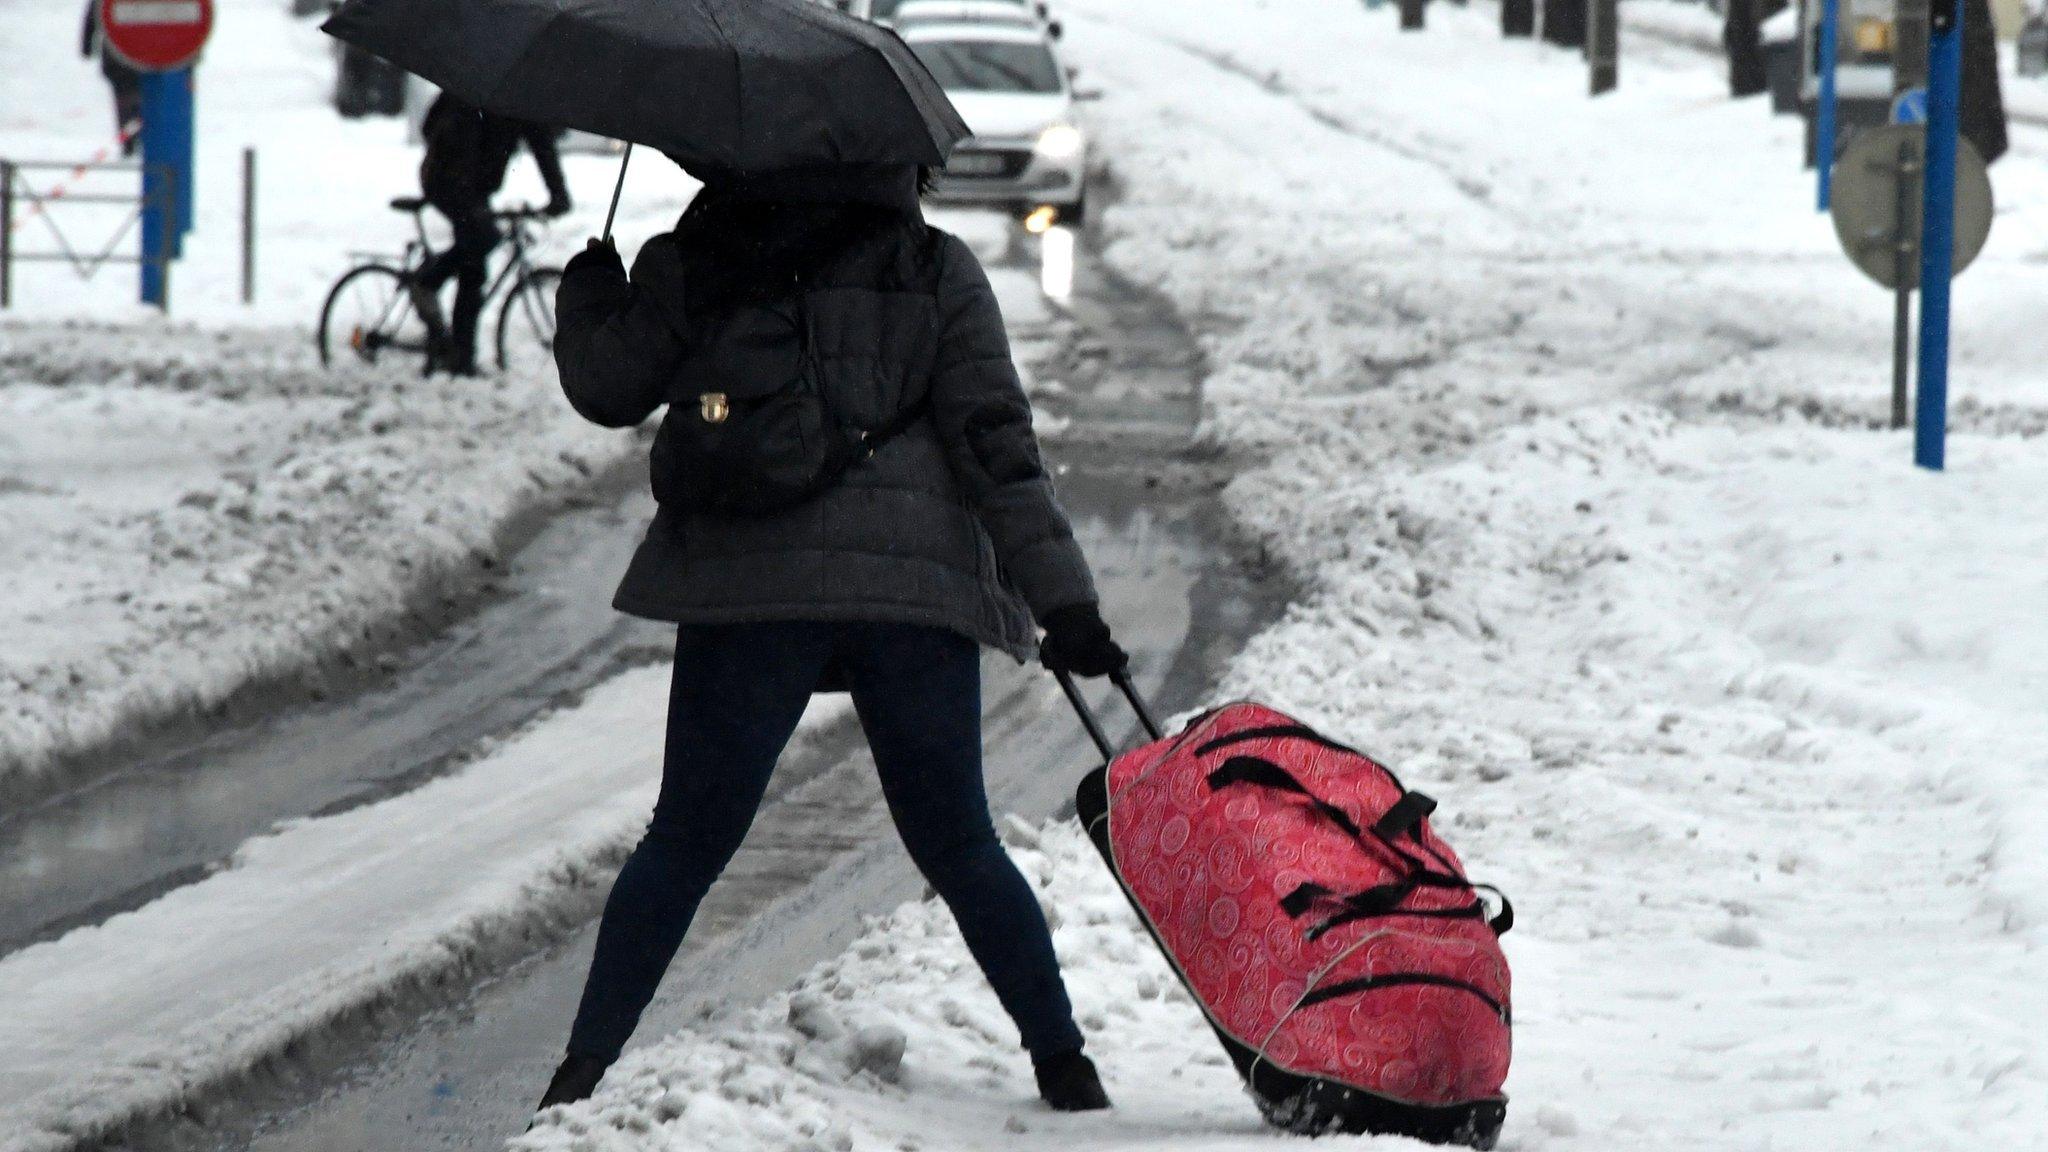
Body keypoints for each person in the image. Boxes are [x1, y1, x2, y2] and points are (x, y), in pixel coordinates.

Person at [535, 160, 1126, 1119]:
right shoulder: (935, 270)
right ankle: (1066, 1065)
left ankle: (580, 1074)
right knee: (960, 842)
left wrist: (592, 289)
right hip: (910, 590)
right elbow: (997, 444)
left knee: (684, 843)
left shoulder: (703, 255)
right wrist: (1066, 603)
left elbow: (607, 387)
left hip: (747, 590)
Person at [412, 92, 571, 375]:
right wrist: (558, 195)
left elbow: (540, 142)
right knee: (485, 238)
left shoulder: (498, 85)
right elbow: (541, 143)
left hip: (465, 185)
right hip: (449, 181)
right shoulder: (497, 91)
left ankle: (461, 358)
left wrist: (558, 194)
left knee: (474, 267)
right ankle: (427, 282)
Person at [79, 0, 142, 156]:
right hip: (137, 53)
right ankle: (135, 136)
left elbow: (92, 17)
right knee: (138, 97)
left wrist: (87, 46)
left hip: (115, 54)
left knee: (124, 99)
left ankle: (129, 139)